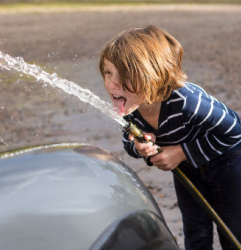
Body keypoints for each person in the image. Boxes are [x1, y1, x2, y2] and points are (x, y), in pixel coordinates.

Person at [99, 25, 241, 250]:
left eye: (124, 75)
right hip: (188, 170)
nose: (112, 83)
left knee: (232, 228)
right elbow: (128, 142)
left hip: (227, 165)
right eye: (108, 72)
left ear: (154, 75)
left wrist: (181, 152)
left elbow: (235, 131)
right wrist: (139, 148)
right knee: (195, 232)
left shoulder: (187, 103)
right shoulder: (130, 109)